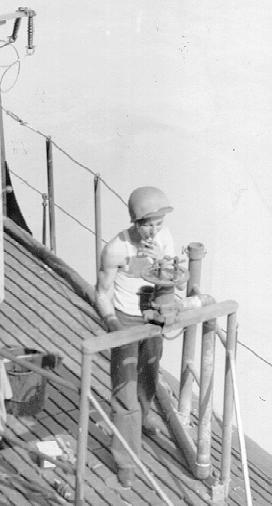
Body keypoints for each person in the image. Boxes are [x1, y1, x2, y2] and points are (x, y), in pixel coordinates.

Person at [95, 186, 175, 489]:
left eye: (158, 224)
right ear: (135, 221)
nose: (154, 231)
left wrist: (163, 261)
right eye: (148, 224)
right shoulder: (116, 248)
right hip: (125, 320)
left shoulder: (164, 238)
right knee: (124, 393)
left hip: (153, 316)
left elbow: (171, 285)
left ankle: (143, 418)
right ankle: (125, 461)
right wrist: (113, 324)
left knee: (148, 378)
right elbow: (101, 292)